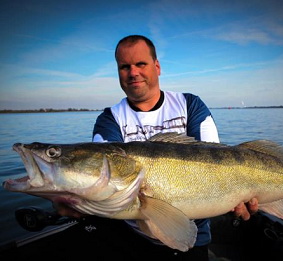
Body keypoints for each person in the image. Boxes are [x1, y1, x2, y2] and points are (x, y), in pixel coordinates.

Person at [56, 35, 258, 260]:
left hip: (193, 238)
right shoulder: (109, 118)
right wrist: (63, 193)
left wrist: (237, 197)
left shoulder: (189, 105)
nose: (133, 73)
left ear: (157, 66)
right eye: (124, 67)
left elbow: (215, 160)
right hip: (133, 238)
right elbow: (102, 179)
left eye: (140, 64)